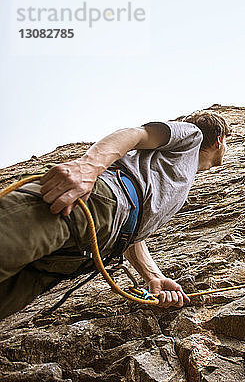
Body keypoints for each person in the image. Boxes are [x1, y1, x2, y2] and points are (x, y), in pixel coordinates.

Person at [0, 112, 231, 320]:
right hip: (92, 205)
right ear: (219, 139)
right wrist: (89, 166)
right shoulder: (193, 135)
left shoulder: (173, 176)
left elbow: (135, 229)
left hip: (87, 251)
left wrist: (153, 276)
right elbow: (136, 134)